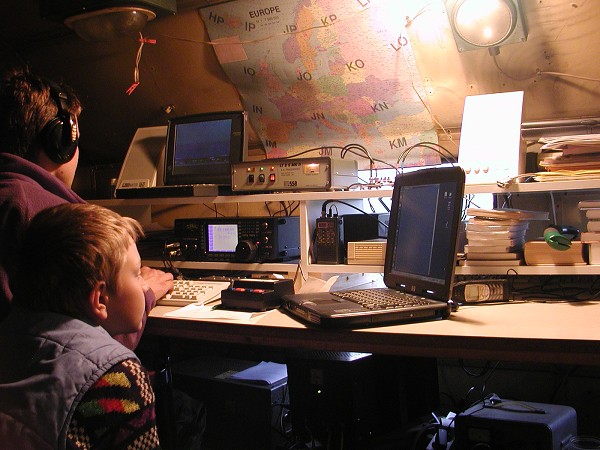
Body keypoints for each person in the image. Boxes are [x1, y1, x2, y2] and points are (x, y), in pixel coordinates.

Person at [0, 66, 173, 350]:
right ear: (60, 144)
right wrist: (145, 293)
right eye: (75, 141)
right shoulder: (49, 216)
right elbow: (89, 343)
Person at [0, 203, 160, 449]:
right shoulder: (117, 377)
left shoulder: (9, 337)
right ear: (100, 299)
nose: (145, 285)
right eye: (137, 274)